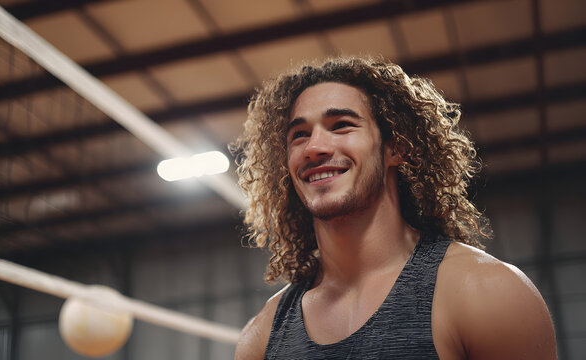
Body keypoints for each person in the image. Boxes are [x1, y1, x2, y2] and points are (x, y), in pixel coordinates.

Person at [231, 57, 557, 359]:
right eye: (299, 135)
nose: (314, 147)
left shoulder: (486, 293)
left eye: (342, 125)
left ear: (395, 148)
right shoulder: (261, 337)